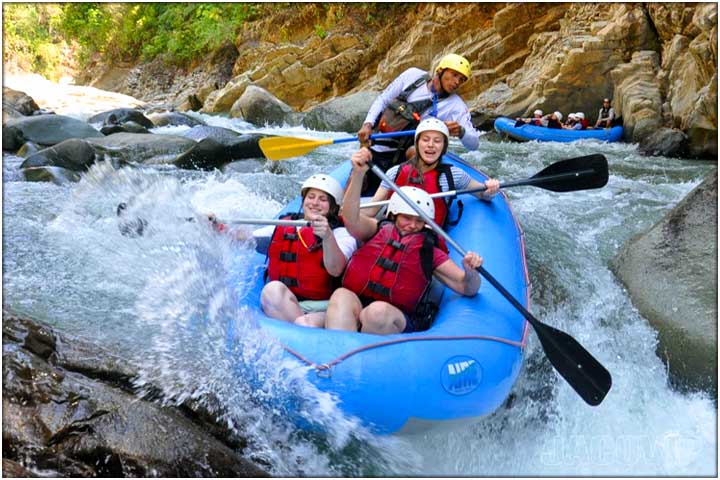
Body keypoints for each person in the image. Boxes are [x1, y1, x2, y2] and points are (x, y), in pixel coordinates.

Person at [322, 152, 486, 335]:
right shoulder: (376, 229)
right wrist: (359, 174)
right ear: (394, 214)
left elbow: (466, 287)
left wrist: (471, 273)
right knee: (341, 295)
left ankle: (366, 359)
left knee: (377, 313)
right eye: (407, 218)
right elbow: (350, 217)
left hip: (394, 318)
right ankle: (339, 356)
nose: (413, 225)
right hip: (358, 303)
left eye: (419, 220)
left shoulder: (428, 249)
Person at [216, 174, 358, 327]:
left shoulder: (341, 233)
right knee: (271, 290)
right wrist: (219, 227)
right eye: (311, 197)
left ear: (333, 207)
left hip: (325, 307)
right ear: (303, 201)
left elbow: (336, 269)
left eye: (323, 199)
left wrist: (327, 237)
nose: (315, 203)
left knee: (305, 323)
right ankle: (295, 331)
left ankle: (304, 334)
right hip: (289, 302)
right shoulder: (285, 225)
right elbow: (245, 238)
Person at [356, 53, 480, 194]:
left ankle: (409, 193)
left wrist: (461, 131)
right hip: (379, 143)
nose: (457, 82)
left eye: (461, 79)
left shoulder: (456, 106)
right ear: (440, 71)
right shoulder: (412, 75)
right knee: (358, 178)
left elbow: (474, 144)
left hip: (407, 154)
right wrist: (367, 124)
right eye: (454, 75)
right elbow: (383, 99)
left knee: (417, 151)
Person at [360, 117, 499, 230]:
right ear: (417, 143)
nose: (431, 145)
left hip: (424, 244)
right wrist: (345, 214)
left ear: (443, 147)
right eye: (425, 140)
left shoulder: (453, 175)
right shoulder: (394, 173)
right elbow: (372, 209)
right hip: (391, 237)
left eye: (437, 141)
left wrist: (490, 190)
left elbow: (482, 193)